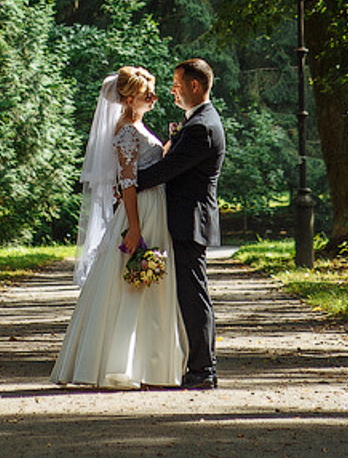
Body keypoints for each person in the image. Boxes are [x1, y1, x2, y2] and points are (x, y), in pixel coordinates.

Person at [51, 66, 188, 389]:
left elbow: (144, 166)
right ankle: (121, 363)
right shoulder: (126, 130)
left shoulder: (136, 126)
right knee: (134, 281)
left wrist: (169, 145)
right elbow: (127, 181)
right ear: (129, 99)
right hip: (141, 209)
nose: (154, 97)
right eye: (147, 93)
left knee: (147, 281)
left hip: (154, 205)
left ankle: (148, 362)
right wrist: (135, 226)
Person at [134, 57, 225, 389]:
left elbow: (165, 171)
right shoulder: (198, 121)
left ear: (195, 86)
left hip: (190, 221)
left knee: (193, 295)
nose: (172, 92)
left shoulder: (202, 127)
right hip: (186, 219)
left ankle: (203, 369)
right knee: (190, 293)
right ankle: (199, 366)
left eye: (175, 85)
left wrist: (128, 183)